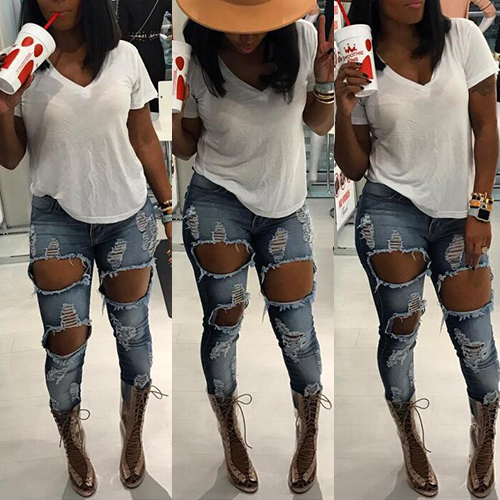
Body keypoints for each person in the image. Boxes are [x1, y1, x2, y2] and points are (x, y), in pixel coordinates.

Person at [0, 0, 172, 496]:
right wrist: (4, 107)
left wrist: (167, 207)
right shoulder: (21, 62)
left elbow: (143, 137)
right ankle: (72, 435)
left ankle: (132, 427)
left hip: (127, 216)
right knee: (64, 342)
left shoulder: (124, 57)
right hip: (59, 218)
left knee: (134, 335)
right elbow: (11, 158)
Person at [335, 0, 499, 497]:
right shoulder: (362, 58)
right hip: (391, 208)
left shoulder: (462, 38)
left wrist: (480, 209)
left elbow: (486, 126)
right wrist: (342, 109)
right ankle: (408, 432)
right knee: (400, 327)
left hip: (458, 213)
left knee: (476, 336)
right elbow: (355, 166)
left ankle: (484, 430)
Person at [174, 0, 334, 493]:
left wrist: (325, 82)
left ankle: (309, 430)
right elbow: (186, 144)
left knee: (299, 330)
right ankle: (229, 429)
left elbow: (319, 123)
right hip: (217, 200)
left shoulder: (304, 41)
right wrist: (171, 108)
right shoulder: (196, 54)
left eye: (256, 24)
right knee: (223, 322)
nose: (245, 36)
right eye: (233, 24)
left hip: (284, 205)